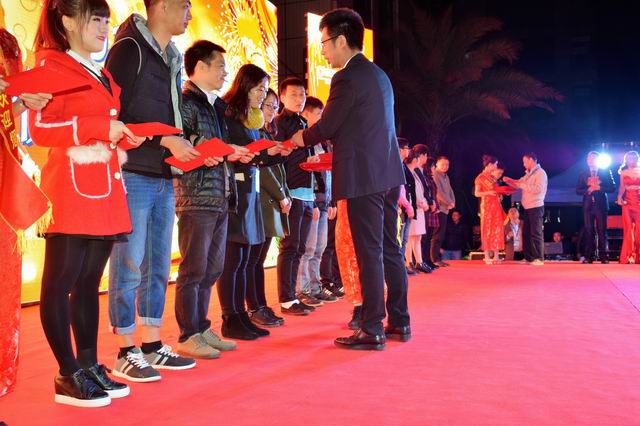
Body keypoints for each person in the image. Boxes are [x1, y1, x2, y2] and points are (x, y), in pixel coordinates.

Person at [30, 0, 146, 406]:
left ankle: (88, 364)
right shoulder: (50, 66)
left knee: (88, 283)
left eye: (106, 20)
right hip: (70, 188)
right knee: (60, 283)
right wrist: (99, 126)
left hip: (104, 186)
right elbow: (40, 129)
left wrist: (123, 133)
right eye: (95, 19)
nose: (103, 28)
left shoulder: (99, 71)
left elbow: (101, 122)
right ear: (66, 21)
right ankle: (67, 373)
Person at [292, 8, 410, 349]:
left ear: (341, 40)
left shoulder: (346, 77)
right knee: (390, 249)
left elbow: (327, 126)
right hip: (388, 175)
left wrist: (296, 140)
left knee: (369, 251)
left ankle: (371, 328)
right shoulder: (378, 74)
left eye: (324, 43)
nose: (323, 51)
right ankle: (399, 320)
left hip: (363, 178)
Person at [106, 0, 198, 382]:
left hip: (163, 172)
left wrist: (186, 145)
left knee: (159, 265)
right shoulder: (129, 48)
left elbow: (168, 117)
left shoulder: (172, 57)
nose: (189, 13)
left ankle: (151, 343)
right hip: (132, 172)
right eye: (184, 5)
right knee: (128, 263)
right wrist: (163, 139)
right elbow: (111, 114)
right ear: (159, 6)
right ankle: (124, 350)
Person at [173, 40, 250, 359]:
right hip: (196, 196)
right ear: (200, 66)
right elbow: (180, 139)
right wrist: (217, 147)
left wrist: (233, 152)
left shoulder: (216, 106)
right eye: (220, 66)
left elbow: (218, 147)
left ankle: (202, 327)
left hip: (220, 195)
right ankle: (188, 334)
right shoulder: (185, 101)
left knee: (212, 267)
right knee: (193, 269)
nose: (225, 73)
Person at [219, 64, 290, 340]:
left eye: (265, 89)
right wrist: (256, 152)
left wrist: (275, 152)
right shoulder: (228, 114)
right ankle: (231, 317)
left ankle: (241, 315)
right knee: (233, 259)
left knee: (245, 258)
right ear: (245, 86)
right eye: (260, 89)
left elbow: (256, 158)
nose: (263, 95)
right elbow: (230, 152)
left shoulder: (253, 120)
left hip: (250, 191)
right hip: (233, 193)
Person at [275, 77, 323, 314]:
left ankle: (293, 296)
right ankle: (286, 299)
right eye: (293, 94)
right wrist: (282, 193)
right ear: (282, 97)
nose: (299, 98)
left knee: (301, 248)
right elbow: (278, 158)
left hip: (307, 193)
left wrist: (313, 160)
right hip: (290, 192)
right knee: (289, 246)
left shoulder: (304, 123)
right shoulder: (279, 123)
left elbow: (307, 154)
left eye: (302, 94)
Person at [245, 88, 289, 327]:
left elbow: (277, 170)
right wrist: (282, 195)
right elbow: (264, 170)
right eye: (268, 105)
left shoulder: (266, 133)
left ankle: (260, 305)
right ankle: (254, 306)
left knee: (258, 259)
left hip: (269, 202)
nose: (272, 110)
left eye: (274, 106)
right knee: (253, 259)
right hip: (261, 201)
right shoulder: (254, 134)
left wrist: (284, 195)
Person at [297, 96, 339, 303]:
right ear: (306, 114)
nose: (322, 118)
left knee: (320, 248)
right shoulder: (303, 140)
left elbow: (328, 174)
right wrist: (313, 201)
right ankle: (303, 289)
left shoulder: (324, 143)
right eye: (318, 113)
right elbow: (307, 173)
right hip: (310, 199)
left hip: (324, 200)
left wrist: (331, 201)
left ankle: (315, 287)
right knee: (308, 248)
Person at [504, 153, 548, 266]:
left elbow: (538, 189)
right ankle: (529, 258)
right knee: (526, 233)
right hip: (527, 207)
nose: (523, 164)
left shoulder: (540, 173)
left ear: (531, 160)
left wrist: (522, 185)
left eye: (525, 162)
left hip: (536, 206)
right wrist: (510, 181)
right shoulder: (528, 174)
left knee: (536, 233)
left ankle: (539, 258)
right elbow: (519, 183)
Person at [576, 151, 616, 264]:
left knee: (602, 231)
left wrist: (600, 188)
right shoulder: (583, 173)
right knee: (589, 231)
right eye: (589, 158)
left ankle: (604, 256)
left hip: (601, 205)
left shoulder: (605, 172)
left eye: (593, 158)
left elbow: (612, 188)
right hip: (588, 206)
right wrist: (588, 190)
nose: (591, 160)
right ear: (587, 160)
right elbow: (578, 190)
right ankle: (589, 256)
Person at [474, 156, 506, 264]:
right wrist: (488, 193)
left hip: (496, 207)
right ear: (490, 165)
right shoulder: (480, 178)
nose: (496, 166)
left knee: (497, 230)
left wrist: (499, 195)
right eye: (495, 164)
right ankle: (487, 256)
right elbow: (477, 193)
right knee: (487, 230)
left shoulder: (493, 178)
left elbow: (496, 190)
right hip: (487, 208)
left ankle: (496, 256)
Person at [405, 145, 431, 273]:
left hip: (419, 207)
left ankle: (419, 262)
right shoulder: (407, 172)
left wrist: (425, 202)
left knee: (417, 236)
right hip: (412, 207)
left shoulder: (416, 172)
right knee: (410, 237)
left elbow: (421, 190)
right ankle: (408, 262)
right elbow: (408, 192)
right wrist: (418, 202)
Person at [398, 138, 417, 274]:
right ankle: (397, 268)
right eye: (406, 148)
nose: (408, 151)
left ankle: (401, 266)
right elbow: (399, 189)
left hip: (406, 205)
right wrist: (407, 205)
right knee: (399, 239)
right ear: (400, 149)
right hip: (400, 206)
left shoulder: (402, 165)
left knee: (403, 239)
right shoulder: (395, 164)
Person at [432, 156, 455, 267]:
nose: (445, 166)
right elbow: (438, 192)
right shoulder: (435, 174)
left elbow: (450, 191)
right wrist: (448, 203)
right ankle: (434, 259)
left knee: (440, 234)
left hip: (445, 209)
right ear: (437, 164)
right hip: (439, 208)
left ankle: (436, 258)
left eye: (447, 164)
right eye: (443, 164)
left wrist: (453, 202)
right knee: (437, 234)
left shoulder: (446, 176)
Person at [617, 151, 640, 264]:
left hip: (638, 201)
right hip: (627, 202)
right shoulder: (623, 172)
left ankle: (638, 257)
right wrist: (619, 198)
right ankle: (627, 256)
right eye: (629, 158)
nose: (632, 160)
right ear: (626, 160)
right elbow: (622, 187)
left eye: (634, 158)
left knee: (639, 230)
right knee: (628, 229)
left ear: (637, 159)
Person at [421, 158, 440, 270]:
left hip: (433, 208)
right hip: (428, 209)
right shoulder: (425, 179)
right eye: (433, 166)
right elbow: (427, 194)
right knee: (425, 237)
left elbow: (434, 195)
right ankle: (423, 260)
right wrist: (431, 204)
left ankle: (428, 260)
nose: (434, 168)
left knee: (429, 236)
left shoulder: (430, 179)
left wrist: (437, 206)